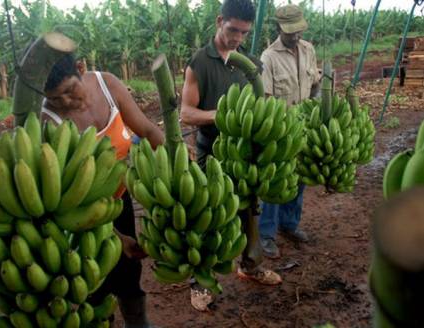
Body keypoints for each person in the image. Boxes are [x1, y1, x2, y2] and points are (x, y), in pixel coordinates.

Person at [42, 54, 164, 328]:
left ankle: (137, 321)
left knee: (130, 270)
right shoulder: (49, 121)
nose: (66, 102)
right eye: (55, 98)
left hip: (119, 198)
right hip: (80, 215)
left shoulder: (107, 84)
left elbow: (146, 129)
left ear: (81, 68)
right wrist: (116, 238)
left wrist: (176, 164)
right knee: (96, 281)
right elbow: (65, 197)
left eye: (70, 91)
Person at [181, 0, 282, 312]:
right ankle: (200, 281)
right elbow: (186, 113)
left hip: (245, 156)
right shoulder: (199, 62)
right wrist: (223, 115)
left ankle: (251, 266)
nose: (237, 37)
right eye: (232, 29)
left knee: (250, 212)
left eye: (243, 32)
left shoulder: (251, 65)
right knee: (208, 217)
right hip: (211, 153)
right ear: (219, 20)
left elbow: (260, 106)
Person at [259, 4, 321, 259]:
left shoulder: (309, 50)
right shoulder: (268, 57)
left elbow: (314, 84)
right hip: (281, 131)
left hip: (305, 128)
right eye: (290, 32)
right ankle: (266, 234)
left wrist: (317, 107)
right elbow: (266, 99)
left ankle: (290, 224)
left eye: (298, 31)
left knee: (299, 180)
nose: (295, 36)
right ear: (278, 28)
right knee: (276, 183)